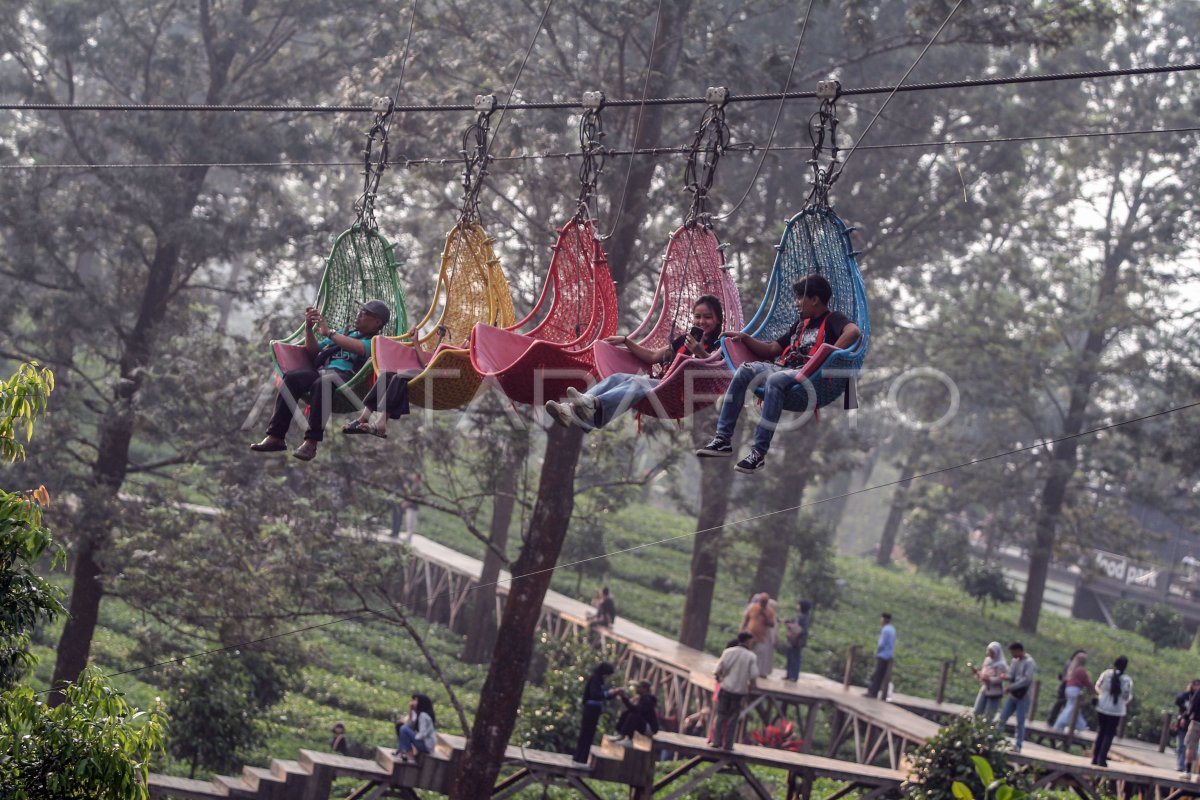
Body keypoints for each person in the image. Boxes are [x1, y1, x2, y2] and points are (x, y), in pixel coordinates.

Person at [696, 276, 861, 473]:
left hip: (809, 374)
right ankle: (723, 438)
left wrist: (826, 355)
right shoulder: (800, 325)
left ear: (815, 299)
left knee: (775, 380)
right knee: (745, 370)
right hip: (783, 368)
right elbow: (772, 349)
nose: (796, 303)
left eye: (800, 298)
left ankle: (758, 453)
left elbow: (854, 332)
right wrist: (746, 339)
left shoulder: (833, 319)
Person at [545, 295, 725, 429]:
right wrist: (626, 341)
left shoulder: (719, 346)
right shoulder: (684, 340)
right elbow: (653, 357)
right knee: (618, 378)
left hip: (678, 395)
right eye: (697, 316)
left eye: (707, 317)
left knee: (637, 382)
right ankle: (569, 411)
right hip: (662, 385)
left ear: (717, 320)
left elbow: (714, 373)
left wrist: (699, 351)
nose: (701, 321)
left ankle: (592, 404)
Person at [251, 300, 390, 461]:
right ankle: (276, 436)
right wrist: (309, 330)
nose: (359, 315)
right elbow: (315, 353)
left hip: (348, 379)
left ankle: (311, 442)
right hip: (322, 371)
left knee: (323, 382)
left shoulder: (375, 341)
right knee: (292, 378)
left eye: (365, 313)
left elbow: (359, 348)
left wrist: (330, 333)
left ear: (377, 322)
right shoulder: (344, 333)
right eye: (360, 311)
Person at [712, 632, 758, 750]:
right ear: (747, 641)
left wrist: (720, 679)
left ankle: (716, 741)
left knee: (721, 716)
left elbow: (717, 670)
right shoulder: (751, 656)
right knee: (733, 719)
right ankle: (728, 745)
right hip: (739, 692)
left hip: (726, 688)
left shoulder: (728, 652)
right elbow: (753, 675)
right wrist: (752, 687)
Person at [574, 662, 623, 764]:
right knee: (585, 733)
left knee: (590, 734)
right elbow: (595, 695)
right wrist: (608, 693)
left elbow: (604, 696)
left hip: (595, 710)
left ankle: (583, 758)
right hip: (590, 709)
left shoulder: (601, 681)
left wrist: (613, 693)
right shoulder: (594, 680)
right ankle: (579, 757)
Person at [995, 642, 1036, 753]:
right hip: (1013, 695)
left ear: (1019, 650)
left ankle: (1018, 745)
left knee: (1020, 721)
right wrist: (1004, 677)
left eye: (1013, 652)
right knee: (1003, 717)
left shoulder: (1029, 662)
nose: (1012, 655)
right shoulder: (1015, 661)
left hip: (1023, 695)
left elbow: (1026, 680)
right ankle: (994, 740)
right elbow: (1012, 675)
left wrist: (1011, 687)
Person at [1092, 656, 1132, 767]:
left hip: (1102, 705)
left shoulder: (1106, 674)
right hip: (1116, 709)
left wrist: (1103, 694)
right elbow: (1126, 696)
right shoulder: (1127, 680)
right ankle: (1102, 758)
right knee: (1109, 734)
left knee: (1101, 732)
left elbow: (1097, 686)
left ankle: (1094, 757)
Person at [1053, 651, 1094, 732]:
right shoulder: (1081, 670)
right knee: (1071, 708)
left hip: (1068, 689)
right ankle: (1059, 724)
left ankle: (1082, 726)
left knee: (1074, 708)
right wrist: (1094, 690)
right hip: (1075, 690)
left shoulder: (1072, 668)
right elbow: (1087, 682)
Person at [1045, 648, 1086, 726]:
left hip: (1066, 685)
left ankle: (1055, 721)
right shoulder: (1072, 664)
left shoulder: (1071, 663)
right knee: (1063, 704)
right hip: (1066, 685)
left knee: (1064, 705)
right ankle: (1055, 722)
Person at [741, 593, 777, 679]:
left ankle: (754, 674)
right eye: (762, 601)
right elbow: (746, 619)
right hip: (749, 636)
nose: (762, 603)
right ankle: (745, 671)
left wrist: (764, 614)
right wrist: (742, 630)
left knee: (757, 655)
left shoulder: (770, 611)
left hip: (761, 637)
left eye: (764, 602)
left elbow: (772, 624)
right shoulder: (753, 608)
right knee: (747, 653)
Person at [395, 694, 437, 764]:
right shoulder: (418, 714)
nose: (413, 702)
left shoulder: (423, 715)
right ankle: (404, 753)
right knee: (402, 727)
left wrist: (415, 735)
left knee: (404, 729)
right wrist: (411, 710)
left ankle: (410, 756)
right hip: (425, 743)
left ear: (421, 703)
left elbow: (423, 734)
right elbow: (408, 725)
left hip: (426, 746)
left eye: (415, 700)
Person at [971, 642, 1008, 721]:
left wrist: (989, 679)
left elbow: (1000, 679)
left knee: (989, 715)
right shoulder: (987, 661)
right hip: (985, 688)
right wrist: (978, 674)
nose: (990, 654)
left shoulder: (1001, 665)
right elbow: (983, 673)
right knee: (977, 711)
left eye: (992, 652)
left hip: (995, 692)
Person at [865, 613, 896, 699]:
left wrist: (877, 652)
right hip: (889, 655)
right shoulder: (892, 629)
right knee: (881, 675)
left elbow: (881, 644)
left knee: (876, 675)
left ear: (884, 620)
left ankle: (872, 692)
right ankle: (875, 692)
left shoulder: (885, 630)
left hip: (882, 655)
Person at [1173, 679, 1199, 771]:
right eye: (1195, 685)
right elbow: (1177, 701)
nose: (1197, 687)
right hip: (1184, 725)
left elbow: (1191, 708)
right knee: (1182, 746)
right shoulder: (1185, 695)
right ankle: (1181, 766)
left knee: (1193, 749)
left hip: (1193, 723)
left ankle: (1190, 769)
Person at [784, 599, 812, 682]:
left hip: (797, 640)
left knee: (795, 658)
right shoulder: (801, 616)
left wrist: (790, 626)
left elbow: (800, 629)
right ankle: (789, 675)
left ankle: (793, 676)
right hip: (793, 640)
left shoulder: (803, 617)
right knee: (790, 657)